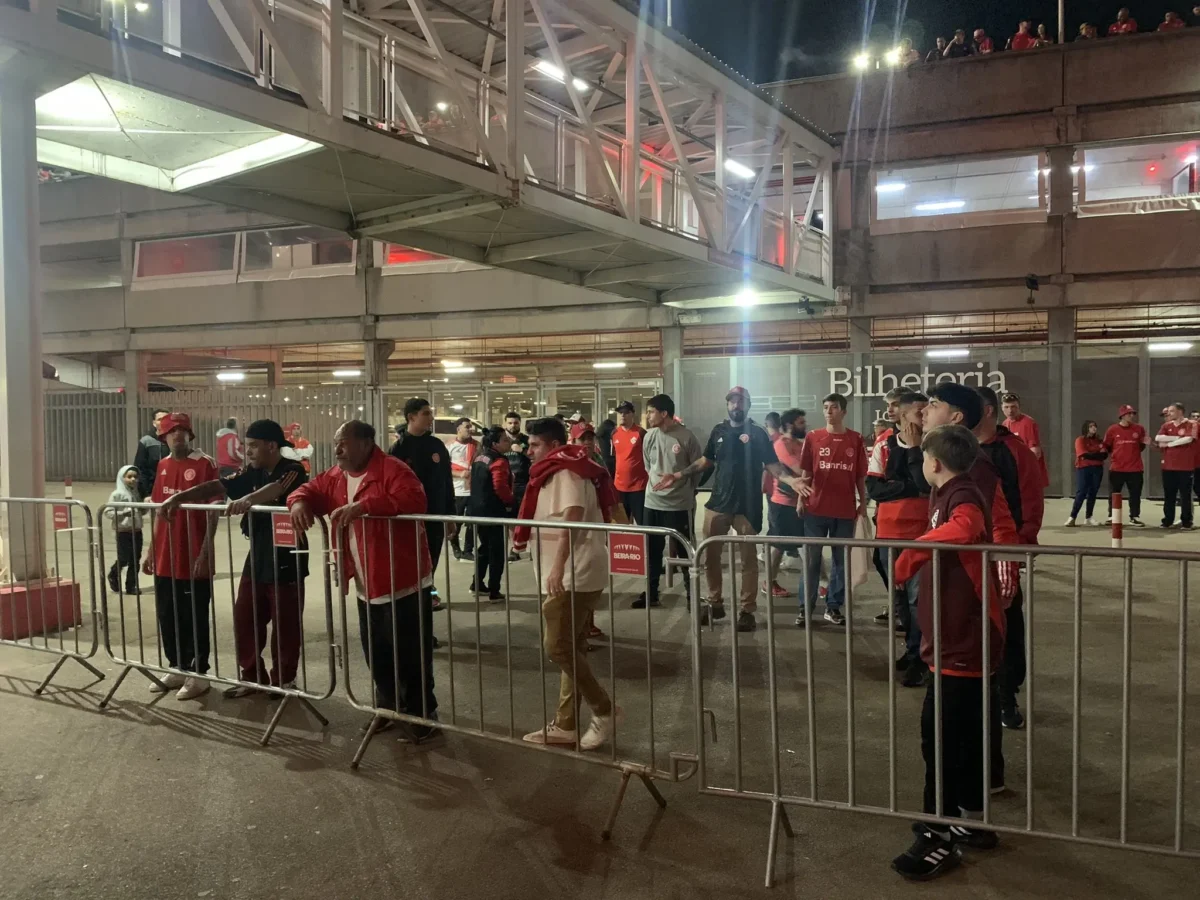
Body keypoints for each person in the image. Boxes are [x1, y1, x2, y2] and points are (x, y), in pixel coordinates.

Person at [890, 424, 1003, 881]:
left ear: (934, 462)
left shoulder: (962, 493)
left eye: (923, 458)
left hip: (965, 640)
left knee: (941, 736)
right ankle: (967, 817)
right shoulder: (948, 491)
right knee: (959, 734)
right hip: (953, 638)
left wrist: (912, 553)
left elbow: (968, 527)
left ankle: (940, 831)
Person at [288, 420, 439, 741]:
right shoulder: (336, 476)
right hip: (366, 582)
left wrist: (364, 506)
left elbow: (414, 500)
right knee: (377, 653)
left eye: (343, 442)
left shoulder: (393, 470)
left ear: (366, 443)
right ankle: (387, 708)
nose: (337, 449)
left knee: (412, 654)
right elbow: (307, 490)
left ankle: (422, 715)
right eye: (335, 443)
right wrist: (298, 502)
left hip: (403, 580)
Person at [161, 419, 308, 697]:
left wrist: (250, 499)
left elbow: (277, 488)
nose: (247, 451)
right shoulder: (251, 471)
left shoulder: (293, 470)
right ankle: (252, 678)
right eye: (246, 445)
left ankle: (284, 682)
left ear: (271, 446)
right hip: (258, 556)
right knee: (246, 618)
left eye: (253, 446)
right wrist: (179, 498)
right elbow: (217, 485)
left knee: (285, 625)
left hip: (288, 557)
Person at [653, 387, 800, 633]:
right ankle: (714, 603)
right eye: (732, 402)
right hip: (717, 503)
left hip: (747, 507)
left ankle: (747, 610)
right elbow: (706, 460)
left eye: (740, 402)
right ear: (727, 405)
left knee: (749, 563)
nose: (736, 406)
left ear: (748, 405)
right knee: (710, 557)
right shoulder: (718, 431)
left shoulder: (758, 433)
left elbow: (773, 466)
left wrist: (793, 481)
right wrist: (678, 474)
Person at [516, 418, 621, 750]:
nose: (527, 450)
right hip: (569, 573)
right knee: (570, 650)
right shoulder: (556, 471)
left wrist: (558, 568)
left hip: (574, 574)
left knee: (557, 647)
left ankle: (604, 710)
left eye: (534, 445)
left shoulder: (565, 472)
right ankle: (565, 725)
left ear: (552, 445)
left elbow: (571, 521)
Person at [977, 387, 1044, 733]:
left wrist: (1021, 547)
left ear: (984, 411)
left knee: (1006, 626)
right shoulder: (958, 450)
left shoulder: (1013, 452)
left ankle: (1006, 696)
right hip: (966, 557)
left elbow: (1031, 500)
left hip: (1003, 553)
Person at [141, 413, 219, 702]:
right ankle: (176, 667)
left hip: (192, 555)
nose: (178, 435)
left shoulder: (204, 464)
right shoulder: (162, 465)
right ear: (163, 436)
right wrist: (151, 549)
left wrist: (205, 551)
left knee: (193, 615)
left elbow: (215, 511)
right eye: (172, 431)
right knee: (168, 613)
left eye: (183, 430)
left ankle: (198, 674)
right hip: (165, 555)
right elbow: (160, 512)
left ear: (190, 434)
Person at [867, 391, 930, 687]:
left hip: (921, 534)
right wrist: (907, 487)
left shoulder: (932, 442)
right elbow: (874, 489)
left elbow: (926, 486)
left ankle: (921, 658)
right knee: (899, 597)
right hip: (887, 532)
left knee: (919, 600)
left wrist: (901, 482)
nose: (924, 415)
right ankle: (912, 648)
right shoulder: (884, 442)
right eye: (918, 410)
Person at [795, 392, 869, 628]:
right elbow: (806, 472)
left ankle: (833, 607)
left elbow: (860, 475)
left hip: (845, 511)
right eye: (826, 407)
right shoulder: (813, 437)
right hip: (816, 509)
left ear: (843, 412)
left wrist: (863, 503)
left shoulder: (855, 439)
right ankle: (805, 609)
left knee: (841, 562)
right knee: (811, 561)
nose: (829, 411)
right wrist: (800, 498)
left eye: (834, 407)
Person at [389, 398, 456, 609]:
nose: (431, 418)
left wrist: (450, 516)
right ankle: (416, 608)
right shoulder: (398, 449)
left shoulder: (436, 445)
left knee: (431, 563)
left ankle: (428, 597)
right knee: (412, 568)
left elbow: (446, 481)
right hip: (409, 520)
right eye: (426, 413)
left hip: (435, 517)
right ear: (411, 417)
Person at [641, 394, 703, 611]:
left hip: (678, 505)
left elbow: (698, 468)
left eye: (651, 412)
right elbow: (649, 466)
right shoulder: (649, 436)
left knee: (686, 552)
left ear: (664, 413)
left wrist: (682, 488)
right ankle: (652, 593)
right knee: (653, 550)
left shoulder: (686, 437)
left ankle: (691, 598)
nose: (647, 416)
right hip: (652, 503)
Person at [468, 425, 514, 601]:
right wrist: (510, 502)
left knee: (484, 548)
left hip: (477, 510)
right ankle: (495, 590)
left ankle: (477, 584)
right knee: (497, 552)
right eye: (504, 440)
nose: (508, 442)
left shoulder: (479, 457)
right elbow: (500, 486)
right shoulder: (499, 460)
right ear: (495, 443)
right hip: (494, 511)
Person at [1103, 405, 1147, 526]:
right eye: (1129, 414)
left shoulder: (1139, 429)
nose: (1131, 416)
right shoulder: (1112, 429)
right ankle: (1112, 515)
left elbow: (1142, 446)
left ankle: (1135, 516)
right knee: (1114, 493)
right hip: (1117, 468)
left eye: (1133, 414)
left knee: (1135, 493)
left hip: (1135, 468)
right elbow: (1107, 446)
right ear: (1122, 415)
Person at [1155, 403, 1196, 529]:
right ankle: (1167, 520)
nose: (1169, 413)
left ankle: (1186, 522)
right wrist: (1177, 437)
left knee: (1185, 495)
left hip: (1185, 467)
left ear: (1180, 412)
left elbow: (1188, 439)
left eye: (1172, 411)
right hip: (1168, 466)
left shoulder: (1191, 424)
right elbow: (1158, 437)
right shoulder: (1166, 425)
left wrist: (1168, 444)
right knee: (1169, 495)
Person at [105, 465, 144, 596]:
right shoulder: (117, 494)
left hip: (137, 530)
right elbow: (108, 512)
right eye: (129, 477)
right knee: (124, 558)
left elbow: (140, 511)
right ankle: (113, 573)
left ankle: (131, 586)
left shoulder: (136, 493)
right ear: (122, 478)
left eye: (135, 477)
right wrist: (122, 513)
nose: (133, 479)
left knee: (135, 559)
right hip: (123, 531)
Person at [1001, 392, 1050, 489]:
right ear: (1002, 407)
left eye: (1013, 407)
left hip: (1028, 476)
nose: (1010, 410)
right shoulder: (1005, 424)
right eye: (1006, 407)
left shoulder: (1028, 423)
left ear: (1019, 407)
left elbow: (1035, 452)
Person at [611, 401, 648, 525]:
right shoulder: (614, 434)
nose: (622, 415)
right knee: (622, 525)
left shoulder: (641, 433)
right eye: (620, 413)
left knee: (643, 524)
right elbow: (615, 458)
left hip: (639, 487)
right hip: (619, 487)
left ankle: (645, 545)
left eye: (626, 413)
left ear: (632, 414)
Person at [1066, 421, 1107, 527]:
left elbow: (1104, 455)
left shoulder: (1099, 441)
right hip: (1083, 469)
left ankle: (1088, 517)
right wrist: (1096, 455)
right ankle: (1072, 517)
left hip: (1097, 469)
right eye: (1091, 426)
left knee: (1092, 493)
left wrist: (1092, 455)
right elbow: (1083, 454)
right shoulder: (1080, 440)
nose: (1094, 428)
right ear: (1086, 428)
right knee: (1081, 492)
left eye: (1095, 426)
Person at [448, 416, 478, 561]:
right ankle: (456, 548)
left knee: (472, 522)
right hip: (457, 490)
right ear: (458, 428)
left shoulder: (477, 446)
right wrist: (459, 474)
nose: (470, 429)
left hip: (473, 491)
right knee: (457, 522)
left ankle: (468, 550)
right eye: (467, 426)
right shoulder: (449, 446)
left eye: (471, 426)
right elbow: (444, 469)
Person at [503, 412, 531, 561]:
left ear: (520, 423)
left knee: (526, 515)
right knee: (511, 517)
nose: (513, 425)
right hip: (507, 484)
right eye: (510, 423)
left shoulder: (526, 440)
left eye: (515, 423)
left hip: (524, 482)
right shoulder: (502, 440)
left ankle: (529, 546)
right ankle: (514, 548)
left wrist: (523, 451)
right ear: (505, 424)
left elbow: (535, 456)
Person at [134, 408, 171, 498]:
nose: (163, 422)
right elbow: (141, 469)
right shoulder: (146, 441)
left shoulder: (175, 439)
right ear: (154, 423)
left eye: (166, 419)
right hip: (152, 489)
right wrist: (146, 493)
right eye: (159, 419)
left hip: (171, 488)